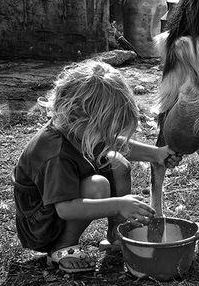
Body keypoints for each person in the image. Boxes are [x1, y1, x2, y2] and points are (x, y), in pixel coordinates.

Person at [12, 60, 181, 273]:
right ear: (76, 116)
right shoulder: (55, 153)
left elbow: (114, 142)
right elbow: (66, 209)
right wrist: (118, 205)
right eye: (102, 129)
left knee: (117, 163)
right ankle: (62, 249)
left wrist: (156, 154)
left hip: (58, 206)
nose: (106, 136)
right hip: (41, 225)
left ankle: (116, 235)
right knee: (97, 185)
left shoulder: (77, 128)